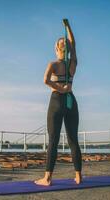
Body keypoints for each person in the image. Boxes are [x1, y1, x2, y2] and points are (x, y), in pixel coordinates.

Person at [34, 19, 82, 186]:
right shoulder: (73, 64)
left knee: (53, 140)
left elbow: (45, 80)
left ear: (56, 49)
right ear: (68, 49)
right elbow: (74, 43)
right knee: (73, 140)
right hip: (71, 101)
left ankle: (47, 178)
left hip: (56, 101)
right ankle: (78, 176)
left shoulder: (53, 64)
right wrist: (68, 26)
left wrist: (60, 89)